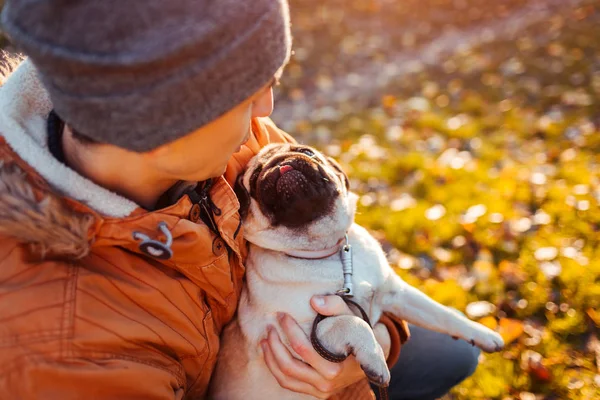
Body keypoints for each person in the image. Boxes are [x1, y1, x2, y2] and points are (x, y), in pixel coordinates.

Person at [0, 0, 480, 399]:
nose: (267, 110)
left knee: (455, 352)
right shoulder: (63, 348)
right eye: (249, 94)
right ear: (162, 131)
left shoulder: (231, 144)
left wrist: (367, 347)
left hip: (325, 338)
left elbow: (339, 245)